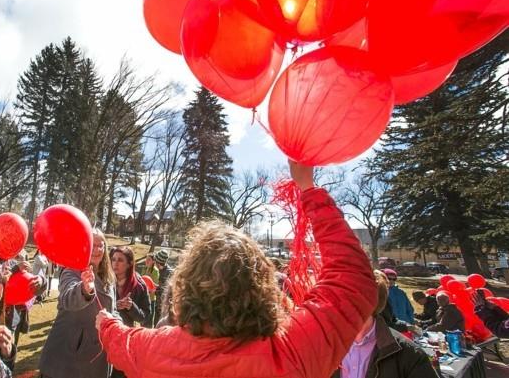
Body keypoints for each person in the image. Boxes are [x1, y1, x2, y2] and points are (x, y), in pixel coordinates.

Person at [95, 161, 378, 378]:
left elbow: (121, 341)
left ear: (185, 283)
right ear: (263, 287)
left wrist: (105, 324)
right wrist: (308, 188)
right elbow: (353, 280)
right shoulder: (292, 351)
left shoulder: (152, 349)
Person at [38, 228, 116, 378]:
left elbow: (112, 309)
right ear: (84, 246)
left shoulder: (109, 278)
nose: (97, 249)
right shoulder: (71, 271)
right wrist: (84, 289)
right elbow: (68, 299)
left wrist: (116, 322)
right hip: (69, 360)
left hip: (98, 357)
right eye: (93, 244)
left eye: (101, 245)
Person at [332, 270, 439, 378]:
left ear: (372, 302)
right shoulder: (324, 346)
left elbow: (403, 314)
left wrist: (408, 325)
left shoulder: (410, 355)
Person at [110, 246, 150, 327]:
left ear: (129, 264)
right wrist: (112, 306)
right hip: (105, 332)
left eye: (120, 260)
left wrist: (131, 307)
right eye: (113, 259)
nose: (115, 263)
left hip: (126, 332)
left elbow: (145, 317)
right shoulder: (105, 280)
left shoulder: (139, 286)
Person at [153, 249, 172, 326]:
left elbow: (168, 290)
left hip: (165, 307)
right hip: (157, 305)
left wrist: (155, 288)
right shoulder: (156, 271)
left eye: (156, 261)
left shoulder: (170, 273)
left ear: (158, 262)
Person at [142, 253, 160, 327]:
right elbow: (141, 281)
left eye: (149, 260)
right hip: (143, 298)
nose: (146, 261)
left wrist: (148, 288)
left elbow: (154, 287)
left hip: (151, 299)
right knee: (143, 319)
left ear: (153, 261)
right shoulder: (144, 268)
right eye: (146, 259)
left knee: (149, 320)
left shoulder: (155, 271)